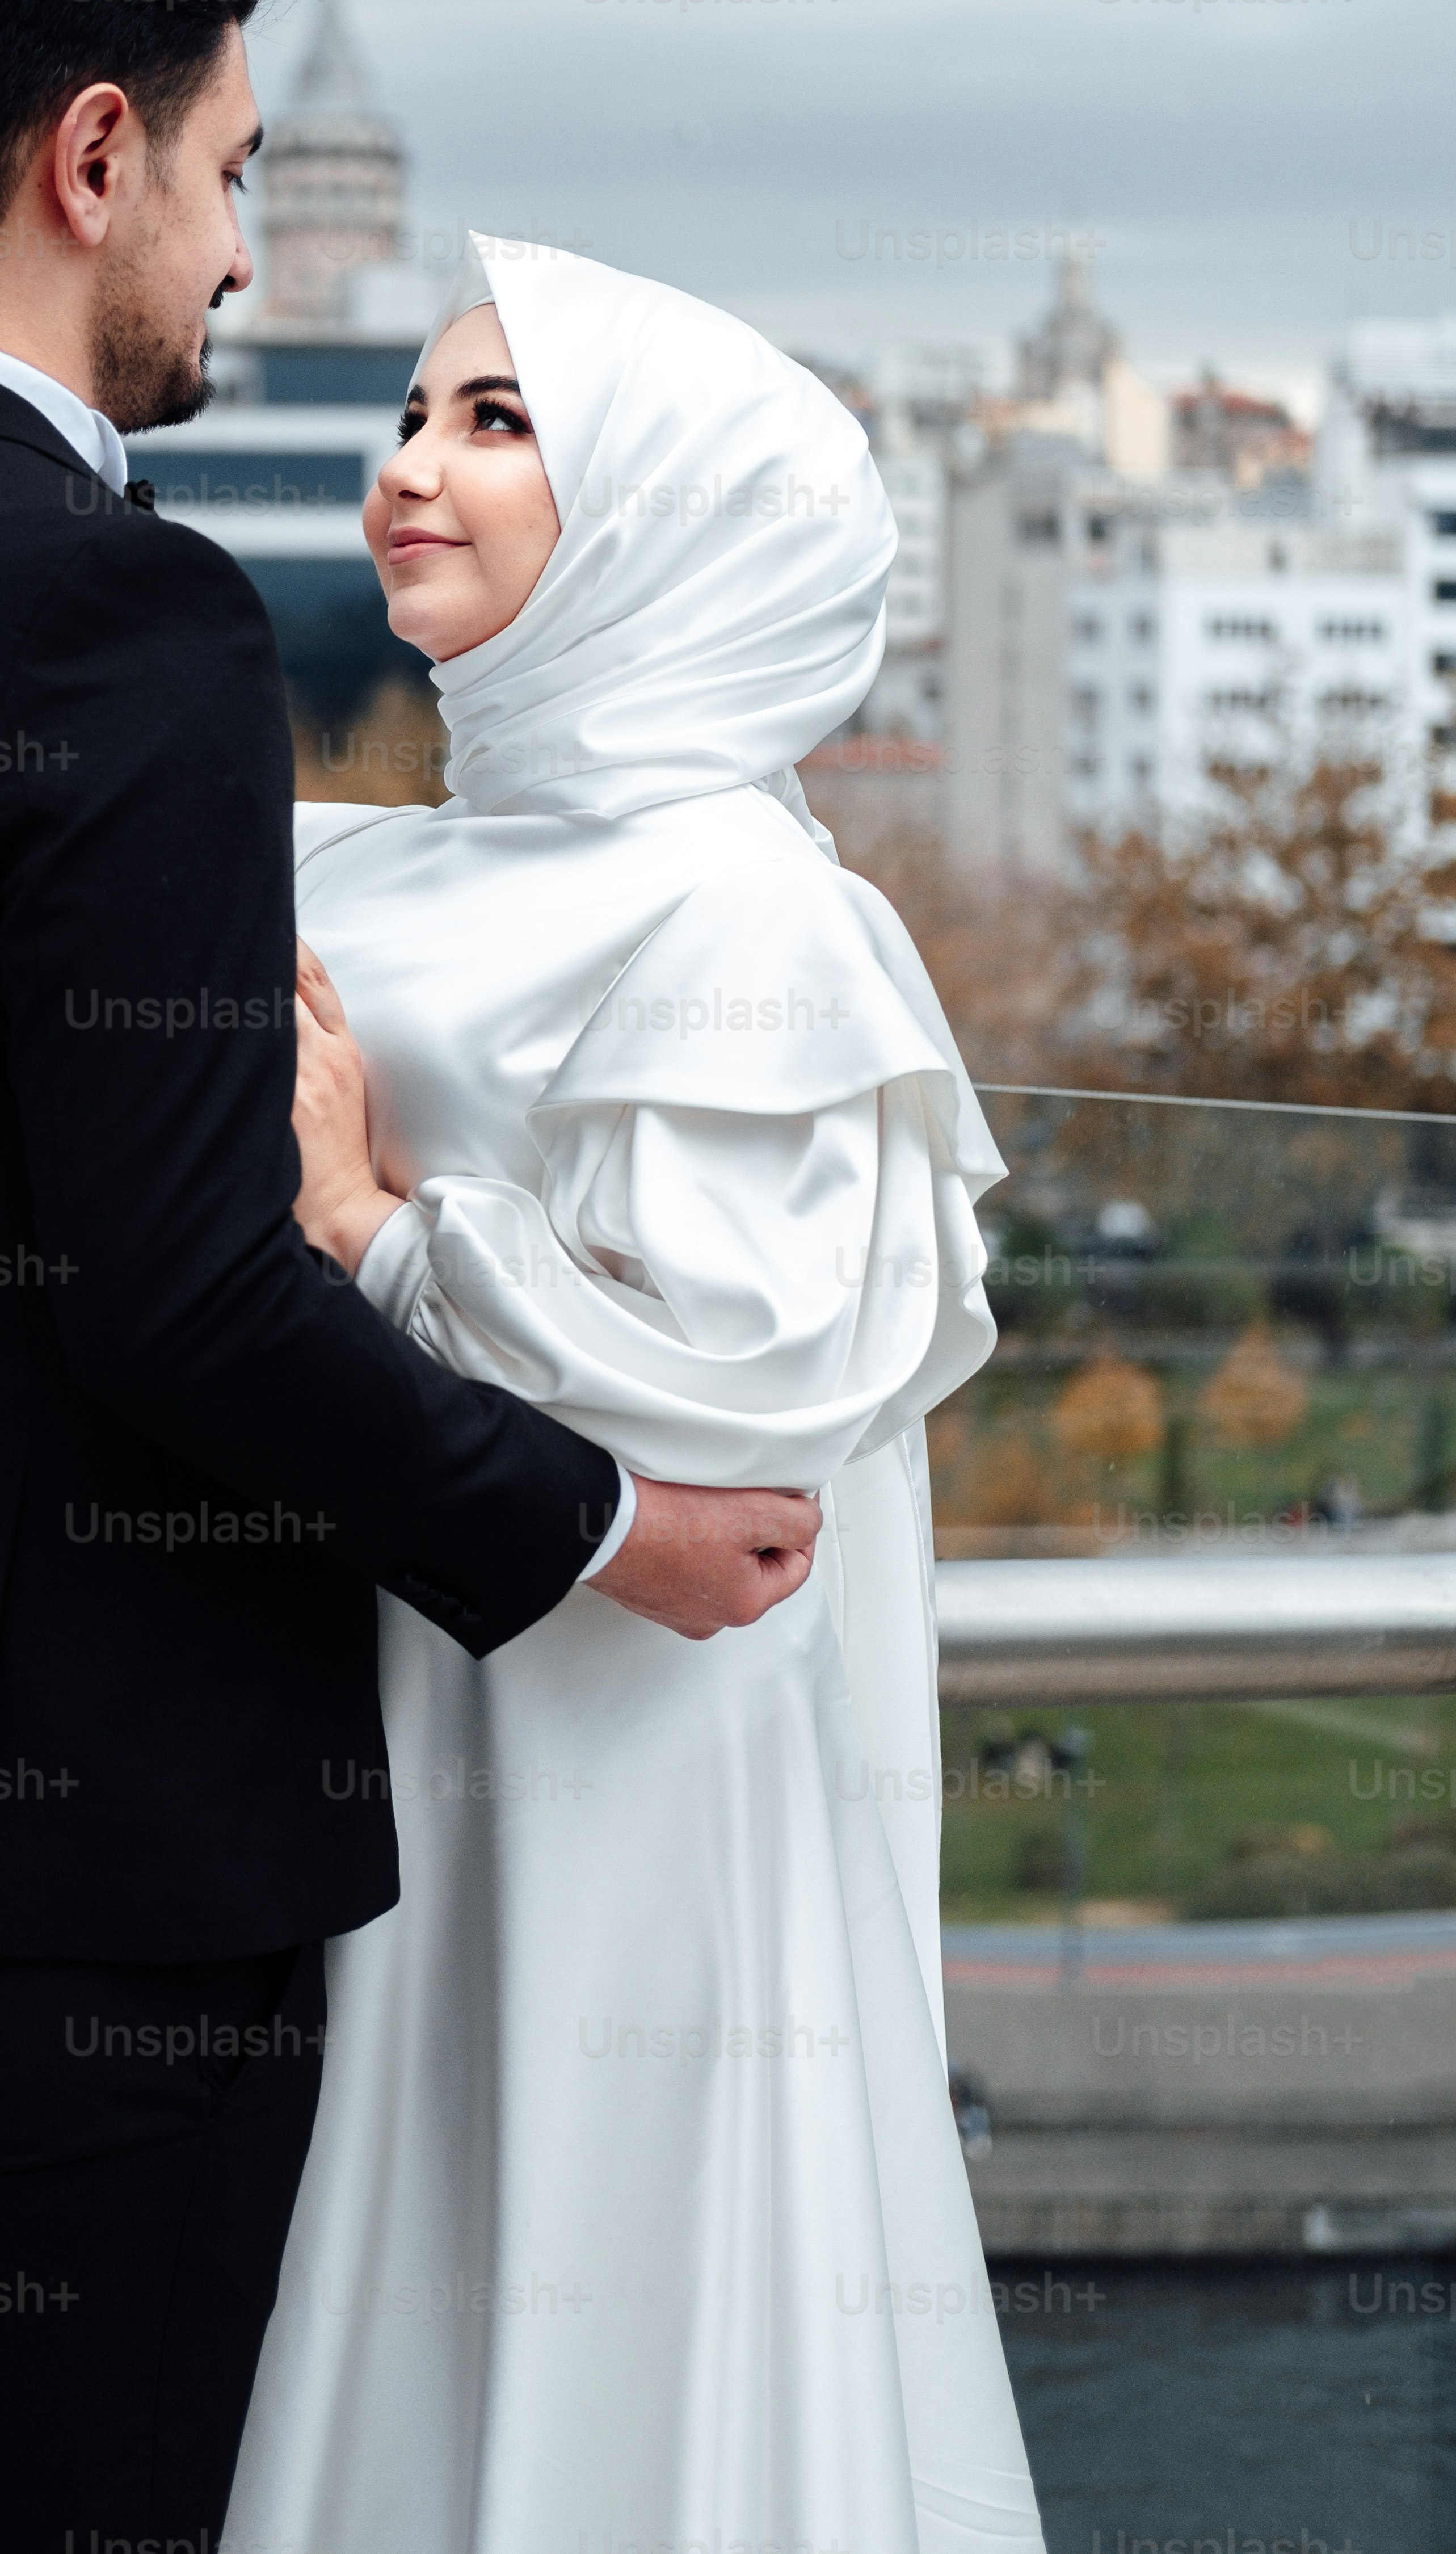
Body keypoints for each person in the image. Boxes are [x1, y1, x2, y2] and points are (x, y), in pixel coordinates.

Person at [0, 0, 815, 2554]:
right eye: (234, 179)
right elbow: (176, 1281)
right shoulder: (119, 616)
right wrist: (597, 1524)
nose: (244, 254)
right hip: (72, 1877)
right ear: (93, 157)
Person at [226, 237, 1046, 2554]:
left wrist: (381, 1238)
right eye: (411, 413)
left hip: (632, 1724)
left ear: (675, 519)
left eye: (497, 425)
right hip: (376, 1690)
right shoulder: (352, 852)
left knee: (608, 2259)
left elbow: (748, 1390)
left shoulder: (753, 915)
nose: (407, 469)